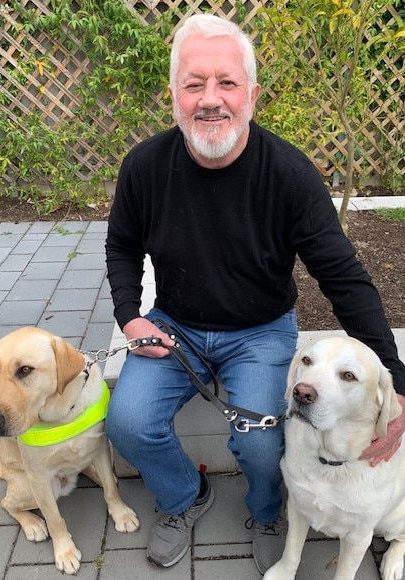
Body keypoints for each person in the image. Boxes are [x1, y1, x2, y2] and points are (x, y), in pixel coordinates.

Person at [105, 13, 405, 575]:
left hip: (261, 331)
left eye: (227, 83)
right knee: (127, 422)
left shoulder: (289, 174)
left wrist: (396, 374)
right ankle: (184, 498)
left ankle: (268, 511)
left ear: (252, 95)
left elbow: (342, 275)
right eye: (194, 84)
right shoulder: (144, 167)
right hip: (174, 326)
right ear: (173, 94)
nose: (210, 99)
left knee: (264, 445)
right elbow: (121, 246)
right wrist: (129, 317)